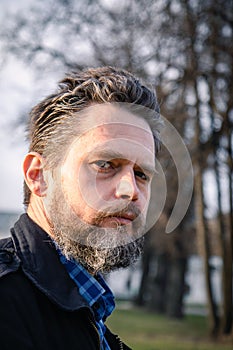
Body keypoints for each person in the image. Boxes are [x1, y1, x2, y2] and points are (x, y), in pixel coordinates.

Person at [0, 66, 161, 350]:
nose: (130, 190)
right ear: (39, 176)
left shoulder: (89, 303)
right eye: (105, 165)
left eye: (141, 174)